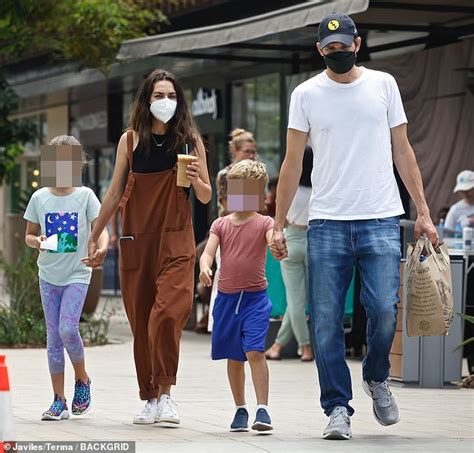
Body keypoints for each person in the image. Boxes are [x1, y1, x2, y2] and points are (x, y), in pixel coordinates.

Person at [270, 13, 438, 441]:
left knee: (384, 309)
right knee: (324, 319)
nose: (338, 53)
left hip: (380, 216)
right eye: (330, 49)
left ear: (357, 44)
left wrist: (422, 210)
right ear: (319, 51)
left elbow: (403, 150)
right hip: (325, 221)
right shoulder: (306, 93)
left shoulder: (383, 85)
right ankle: (337, 407)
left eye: (344, 46)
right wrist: (277, 222)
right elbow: (291, 162)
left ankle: (376, 376)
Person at [87, 69, 212, 425]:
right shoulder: (130, 141)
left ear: (180, 101)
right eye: (158, 96)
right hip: (136, 241)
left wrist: (196, 177)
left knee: (167, 314)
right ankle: (150, 397)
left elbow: (205, 196)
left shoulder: (189, 141)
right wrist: (95, 234)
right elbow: (113, 193)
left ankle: (167, 393)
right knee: (142, 323)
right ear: (146, 100)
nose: (165, 102)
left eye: (171, 96)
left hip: (176, 240)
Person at [23, 135, 109, 421]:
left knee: (68, 330)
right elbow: (29, 236)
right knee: (53, 336)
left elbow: (100, 228)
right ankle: (58, 400)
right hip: (48, 274)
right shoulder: (39, 197)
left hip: (77, 273)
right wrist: (39, 242)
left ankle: (82, 380)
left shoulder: (85, 196)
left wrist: (103, 245)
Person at [199, 159, 274, 433]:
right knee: (234, 356)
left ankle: (262, 409)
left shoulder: (265, 222)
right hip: (227, 300)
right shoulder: (220, 224)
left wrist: (276, 244)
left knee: (255, 350)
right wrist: (205, 267)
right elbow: (208, 253)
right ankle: (240, 408)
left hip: (255, 298)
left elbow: (271, 239)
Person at [266, 146, 313, 362]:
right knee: (300, 300)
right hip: (313, 241)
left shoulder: (289, 188)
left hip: (292, 239)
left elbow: (275, 211)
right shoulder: (319, 189)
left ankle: (305, 347)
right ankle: (277, 345)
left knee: (295, 301)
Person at [216, 128, 257, 217]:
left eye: (253, 152)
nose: (251, 156)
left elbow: (261, 209)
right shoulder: (226, 174)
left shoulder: (255, 175)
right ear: (234, 150)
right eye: (247, 151)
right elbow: (231, 209)